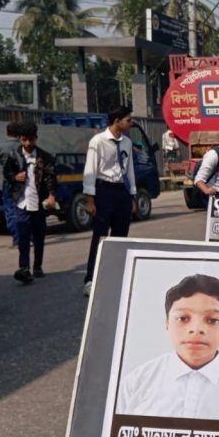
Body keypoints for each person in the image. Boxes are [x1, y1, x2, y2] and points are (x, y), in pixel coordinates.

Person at [116, 274, 219, 422]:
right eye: (183, 318)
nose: (196, 329)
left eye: (213, 320)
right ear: (167, 323)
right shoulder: (136, 382)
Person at [82, 106, 138, 297]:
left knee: (120, 237)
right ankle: (91, 279)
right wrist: (90, 200)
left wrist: (132, 196)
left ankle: (116, 277)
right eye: (128, 120)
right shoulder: (98, 142)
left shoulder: (127, 143)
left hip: (121, 191)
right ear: (117, 121)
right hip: (103, 191)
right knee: (100, 237)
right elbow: (90, 171)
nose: (130, 123)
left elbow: (129, 169)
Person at [3, 122, 56, 284]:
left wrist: (52, 196)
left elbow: (50, 178)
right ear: (19, 139)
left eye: (31, 140)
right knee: (23, 237)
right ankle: (24, 268)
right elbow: (7, 173)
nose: (27, 144)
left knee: (39, 236)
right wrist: (14, 177)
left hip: (38, 203)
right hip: (21, 203)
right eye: (24, 140)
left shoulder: (45, 157)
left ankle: (37, 266)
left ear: (36, 139)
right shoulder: (13, 155)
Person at [0, 121, 23, 248]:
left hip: (9, 182)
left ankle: (17, 239)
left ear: (7, 133)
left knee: (10, 210)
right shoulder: (24, 147)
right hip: (24, 182)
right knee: (25, 209)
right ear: (19, 134)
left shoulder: (1, 147)